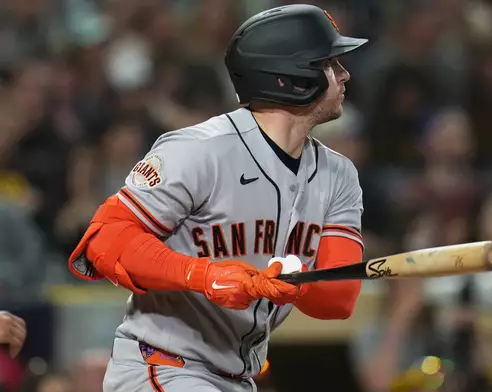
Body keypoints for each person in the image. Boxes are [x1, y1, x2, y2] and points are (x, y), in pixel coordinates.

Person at [67, 4, 368, 392]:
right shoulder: (200, 150)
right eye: (330, 63)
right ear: (292, 76)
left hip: (238, 378)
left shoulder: (339, 175)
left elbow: (338, 299)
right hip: (164, 366)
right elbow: (103, 241)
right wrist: (204, 276)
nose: (344, 74)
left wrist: (290, 282)